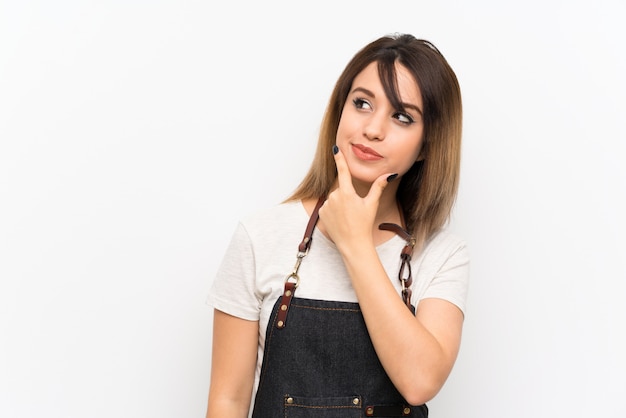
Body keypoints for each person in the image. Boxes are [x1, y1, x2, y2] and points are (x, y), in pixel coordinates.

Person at [205, 33, 469, 418]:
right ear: (339, 110)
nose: (373, 129)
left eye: (401, 116)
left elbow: (420, 381)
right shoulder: (260, 236)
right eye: (361, 103)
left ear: (428, 145)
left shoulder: (443, 254)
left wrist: (356, 244)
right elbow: (227, 400)